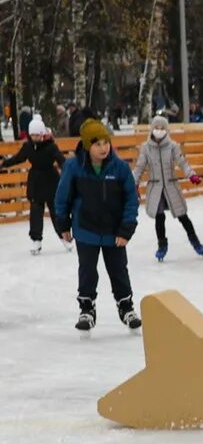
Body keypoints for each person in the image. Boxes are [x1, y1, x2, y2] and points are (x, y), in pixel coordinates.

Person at [54, 119, 140, 331]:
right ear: (86, 145)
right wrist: (63, 224)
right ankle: (86, 308)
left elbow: (131, 199)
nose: (103, 148)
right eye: (97, 144)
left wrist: (126, 229)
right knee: (87, 271)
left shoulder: (119, 168)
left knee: (119, 270)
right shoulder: (74, 167)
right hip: (86, 230)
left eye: (106, 142)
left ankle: (126, 306)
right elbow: (62, 197)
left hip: (114, 231)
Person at [136, 115, 203, 262]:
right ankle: (162, 245)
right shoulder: (146, 148)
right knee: (159, 217)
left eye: (162, 128)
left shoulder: (173, 146)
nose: (159, 131)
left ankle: (195, 241)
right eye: (156, 128)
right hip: (156, 187)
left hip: (171, 185)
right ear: (152, 129)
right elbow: (140, 167)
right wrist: (134, 183)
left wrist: (191, 175)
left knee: (182, 216)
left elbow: (182, 162)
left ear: (166, 130)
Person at [4, 115, 68, 253]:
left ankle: (64, 237)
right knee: (35, 213)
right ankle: (36, 240)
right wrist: (4, 164)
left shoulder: (51, 146)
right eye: (32, 135)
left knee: (56, 211)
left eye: (37, 135)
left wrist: (68, 169)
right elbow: (18, 158)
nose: (35, 138)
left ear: (42, 133)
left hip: (51, 180)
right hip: (36, 181)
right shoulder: (28, 146)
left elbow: (61, 159)